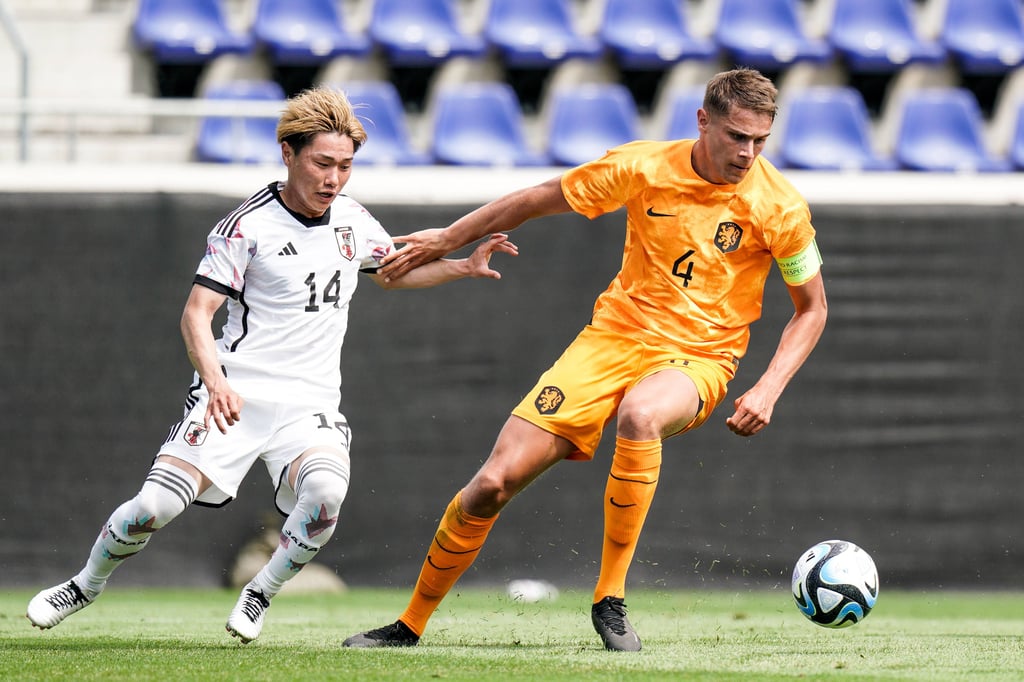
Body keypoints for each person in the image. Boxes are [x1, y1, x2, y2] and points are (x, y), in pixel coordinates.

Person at [343, 68, 828, 652]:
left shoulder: (781, 207)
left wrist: (769, 387)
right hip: (610, 342)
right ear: (703, 121)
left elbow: (811, 310)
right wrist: (449, 238)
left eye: (760, 141)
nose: (747, 153)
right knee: (493, 484)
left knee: (641, 416)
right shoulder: (642, 167)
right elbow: (535, 199)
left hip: (700, 356)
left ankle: (610, 599)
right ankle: (410, 624)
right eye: (736, 136)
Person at [25, 87, 517, 643]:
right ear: (288, 153)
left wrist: (461, 268)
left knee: (326, 497)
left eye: (346, 166)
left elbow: (392, 273)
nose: (334, 178)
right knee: (152, 508)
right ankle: (86, 584)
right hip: (236, 395)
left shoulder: (352, 218)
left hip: (309, 403)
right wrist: (214, 384)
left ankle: (260, 591)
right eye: (322, 162)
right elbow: (196, 315)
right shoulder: (246, 226)